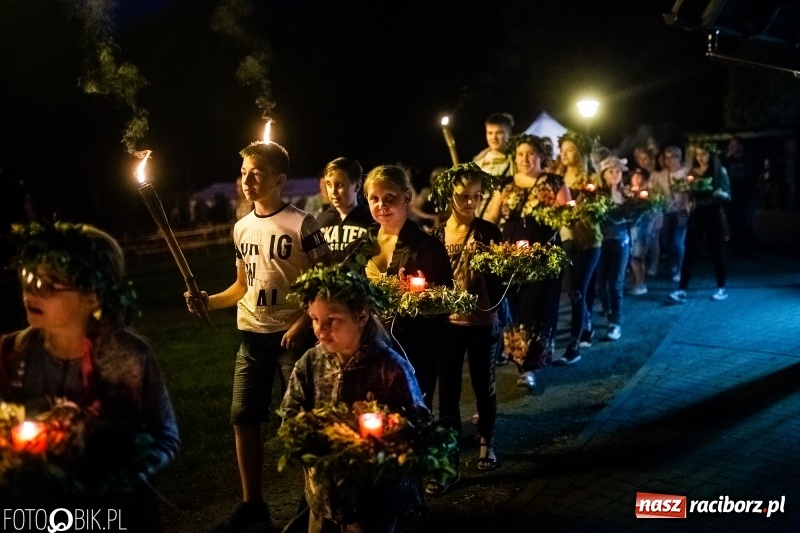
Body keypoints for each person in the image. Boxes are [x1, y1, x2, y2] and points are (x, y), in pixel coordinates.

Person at [185, 141, 332, 533]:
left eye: (257, 173)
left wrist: (304, 321)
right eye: (244, 172)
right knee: (243, 419)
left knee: (300, 424)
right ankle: (253, 508)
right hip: (251, 336)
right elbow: (241, 287)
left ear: (280, 180)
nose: (247, 180)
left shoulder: (304, 225)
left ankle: (311, 504)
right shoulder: (241, 226)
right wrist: (209, 302)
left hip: (293, 340)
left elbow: (327, 282)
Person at [0, 220, 179, 527]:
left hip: (118, 515)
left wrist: (121, 474)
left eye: (48, 284)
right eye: (27, 277)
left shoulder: (129, 358)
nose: (30, 290)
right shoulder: (11, 354)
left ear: (92, 296)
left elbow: (165, 437)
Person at [281, 264, 428, 533]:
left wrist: (386, 434)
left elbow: (418, 422)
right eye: (314, 319)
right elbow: (290, 414)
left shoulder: (390, 367)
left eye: (332, 320)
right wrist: (309, 436)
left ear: (360, 317)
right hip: (323, 495)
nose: (320, 330)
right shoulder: (310, 364)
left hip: (376, 499)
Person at [349, 164, 453, 410]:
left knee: (411, 412)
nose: (381, 205)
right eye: (374, 198)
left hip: (414, 346)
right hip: (370, 344)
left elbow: (447, 299)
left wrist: (418, 299)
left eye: (389, 198)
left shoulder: (427, 248)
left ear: (406, 197)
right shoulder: (364, 243)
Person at [428, 163, 503, 490]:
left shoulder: (489, 230)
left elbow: (503, 275)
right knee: (448, 393)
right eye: (463, 196)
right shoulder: (436, 235)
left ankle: (486, 440)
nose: (470, 203)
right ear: (449, 195)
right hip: (447, 324)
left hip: (482, 321)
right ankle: (447, 460)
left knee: (482, 384)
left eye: (476, 197)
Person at [483, 134, 572, 389]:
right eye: (520, 154)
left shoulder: (555, 183)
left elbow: (567, 217)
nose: (524, 159)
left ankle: (529, 366)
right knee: (515, 310)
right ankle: (517, 357)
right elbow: (491, 217)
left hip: (543, 258)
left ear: (540, 155)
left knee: (536, 310)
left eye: (530, 153)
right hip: (510, 260)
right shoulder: (506, 184)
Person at [552, 130, 602, 363]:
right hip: (565, 238)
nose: (565, 154)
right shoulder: (556, 178)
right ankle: (586, 326)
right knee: (574, 291)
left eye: (571, 150)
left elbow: (599, 207)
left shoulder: (591, 179)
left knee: (578, 291)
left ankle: (574, 346)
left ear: (580, 153)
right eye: (562, 150)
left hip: (589, 239)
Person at [669, 141, 731, 303]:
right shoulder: (693, 172)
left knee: (716, 250)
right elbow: (689, 193)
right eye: (698, 154)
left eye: (704, 154)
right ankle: (682, 289)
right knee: (689, 251)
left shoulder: (718, 171)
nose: (701, 157)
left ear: (710, 154)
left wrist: (720, 193)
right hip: (697, 214)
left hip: (713, 212)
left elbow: (728, 194)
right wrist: (688, 194)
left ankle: (721, 287)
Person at [594, 157, 632, 341]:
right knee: (602, 283)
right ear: (603, 174)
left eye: (618, 171)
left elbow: (633, 217)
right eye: (611, 171)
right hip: (600, 244)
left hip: (621, 242)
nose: (615, 174)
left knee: (615, 284)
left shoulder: (626, 194)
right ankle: (609, 313)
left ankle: (615, 322)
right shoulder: (596, 195)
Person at [316, 157, 373, 263]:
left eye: (340, 185)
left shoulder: (371, 220)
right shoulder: (320, 221)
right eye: (329, 184)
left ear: (357, 185)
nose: (333, 191)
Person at [649, 145, 689, 282]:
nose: (670, 160)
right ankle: (673, 262)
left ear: (679, 157)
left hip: (682, 211)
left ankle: (680, 268)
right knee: (666, 240)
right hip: (667, 210)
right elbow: (654, 188)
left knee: (677, 241)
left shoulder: (686, 172)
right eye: (667, 158)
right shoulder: (663, 175)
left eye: (672, 157)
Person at [722, 136, 758, 257]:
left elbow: (755, 175)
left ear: (740, 146)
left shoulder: (749, 159)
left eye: (734, 145)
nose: (731, 147)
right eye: (730, 145)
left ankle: (748, 248)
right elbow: (719, 171)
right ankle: (737, 248)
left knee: (746, 222)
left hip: (746, 195)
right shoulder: (727, 160)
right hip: (731, 196)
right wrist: (727, 157)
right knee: (734, 222)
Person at [626, 167, 654, 296]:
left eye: (640, 177)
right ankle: (633, 282)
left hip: (642, 227)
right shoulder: (627, 192)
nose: (637, 179)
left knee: (638, 257)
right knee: (631, 257)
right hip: (629, 228)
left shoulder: (648, 193)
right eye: (635, 176)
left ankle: (640, 283)